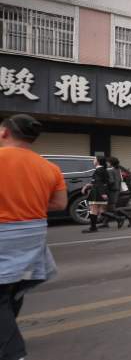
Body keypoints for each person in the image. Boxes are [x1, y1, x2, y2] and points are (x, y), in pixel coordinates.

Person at [0, 114, 66, 360]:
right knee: (14, 290)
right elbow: (60, 204)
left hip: (3, 234)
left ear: (5, 133)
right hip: (33, 234)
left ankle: (14, 353)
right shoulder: (49, 167)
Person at [99, 157, 131, 229]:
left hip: (112, 191)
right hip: (116, 190)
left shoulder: (110, 171)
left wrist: (104, 182)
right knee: (109, 208)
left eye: (107, 162)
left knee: (112, 208)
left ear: (111, 163)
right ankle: (105, 223)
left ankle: (130, 218)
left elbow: (111, 181)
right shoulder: (117, 169)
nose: (106, 163)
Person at [81, 156, 109, 233]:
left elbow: (98, 183)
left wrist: (102, 193)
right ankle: (119, 218)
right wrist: (87, 186)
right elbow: (98, 182)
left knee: (94, 210)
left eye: (94, 159)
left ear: (98, 161)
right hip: (100, 191)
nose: (93, 160)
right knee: (100, 210)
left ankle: (93, 228)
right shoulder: (103, 169)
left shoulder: (99, 170)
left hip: (97, 192)